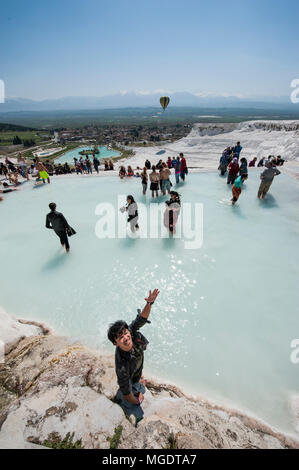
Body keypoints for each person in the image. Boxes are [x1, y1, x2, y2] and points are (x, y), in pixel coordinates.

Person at [108, 289, 160, 425]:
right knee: (131, 386)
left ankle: (139, 380)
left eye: (125, 333)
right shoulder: (122, 366)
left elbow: (142, 318)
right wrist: (137, 401)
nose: (126, 337)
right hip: (130, 373)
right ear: (116, 343)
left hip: (136, 363)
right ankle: (137, 385)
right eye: (121, 337)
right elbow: (126, 393)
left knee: (138, 375)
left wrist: (149, 303)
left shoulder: (130, 331)